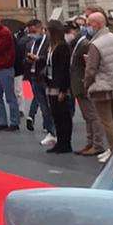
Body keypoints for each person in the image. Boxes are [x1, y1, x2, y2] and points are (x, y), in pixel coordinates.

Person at [84, 10, 113, 161]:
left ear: (96, 24)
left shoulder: (95, 44)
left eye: (89, 24)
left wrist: (86, 84)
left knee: (107, 121)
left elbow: (91, 70)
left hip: (102, 86)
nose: (87, 27)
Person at [69, 21, 103, 156]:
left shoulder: (85, 44)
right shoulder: (77, 44)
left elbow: (90, 65)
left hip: (84, 83)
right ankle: (90, 142)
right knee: (87, 116)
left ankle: (97, 144)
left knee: (93, 116)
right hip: (79, 83)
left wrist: (87, 81)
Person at [41, 19, 74, 154]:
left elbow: (64, 69)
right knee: (55, 114)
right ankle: (60, 141)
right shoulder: (51, 47)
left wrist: (63, 89)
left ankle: (66, 143)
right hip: (50, 82)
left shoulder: (62, 47)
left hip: (59, 85)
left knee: (63, 114)